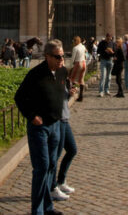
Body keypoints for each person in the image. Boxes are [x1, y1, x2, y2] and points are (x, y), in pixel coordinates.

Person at [15, 39, 69, 215]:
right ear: (47, 57)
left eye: (63, 56)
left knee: (51, 165)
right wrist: (31, 116)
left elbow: (62, 91)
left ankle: (47, 207)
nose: (61, 59)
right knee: (42, 167)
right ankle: (37, 211)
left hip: (56, 125)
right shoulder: (35, 74)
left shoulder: (61, 72)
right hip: (40, 128)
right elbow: (19, 97)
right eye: (57, 56)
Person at [50, 69, 79, 202]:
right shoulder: (51, 77)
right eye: (58, 57)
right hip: (59, 119)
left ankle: (61, 181)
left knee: (72, 150)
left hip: (65, 118)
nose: (61, 60)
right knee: (56, 154)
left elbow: (62, 99)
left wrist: (69, 93)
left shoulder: (62, 77)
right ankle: (52, 187)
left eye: (61, 58)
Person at [70, 36, 87, 101]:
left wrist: (70, 66)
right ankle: (81, 96)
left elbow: (73, 58)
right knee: (81, 79)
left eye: (73, 41)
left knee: (72, 78)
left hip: (78, 63)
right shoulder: (83, 46)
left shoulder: (75, 48)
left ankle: (72, 94)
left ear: (75, 41)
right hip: (84, 63)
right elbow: (85, 54)